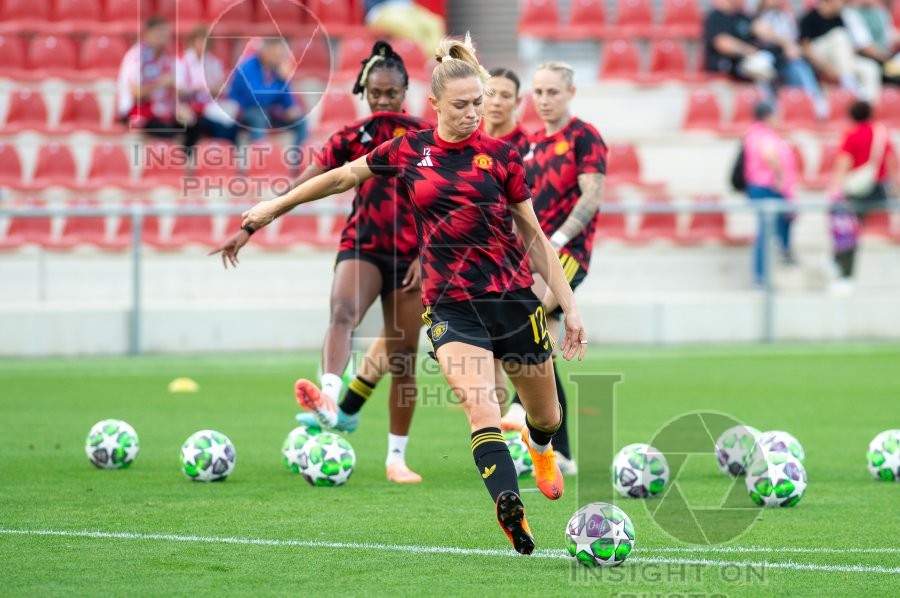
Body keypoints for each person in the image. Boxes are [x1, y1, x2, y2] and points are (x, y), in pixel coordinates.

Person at [212, 33, 588, 555]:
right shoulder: (410, 150)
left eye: (478, 103)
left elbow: (533, 236)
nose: (472, 113)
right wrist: (272, 208)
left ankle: (540, 446)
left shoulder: (501, 157)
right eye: (460, 105)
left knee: (546, 417)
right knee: (481, 409)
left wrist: (568, 305)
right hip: (450, 308)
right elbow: (342, 175)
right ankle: (510, 508)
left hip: (511, 301)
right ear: (434, 105)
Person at [221, 41, 432, 483]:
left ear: (406, 91)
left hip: (412, 256)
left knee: (403, 358)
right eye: (375, 93)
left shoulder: (424, 139)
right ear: (364, 92)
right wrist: (252, 225)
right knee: (342, 312)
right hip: (364, 245)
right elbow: (306, 185)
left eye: (391, 93)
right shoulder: (351, 138)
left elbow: (447, 202)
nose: (383, 101)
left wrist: (429, 256)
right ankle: (330, 397)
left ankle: (396, 458)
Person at [499, 62, 607, 479]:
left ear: (571, 93)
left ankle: (515, 408)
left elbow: (592, 194)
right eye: (538, 93)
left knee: (529, 316)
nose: (544, 100)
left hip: (568, 252)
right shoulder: (530, 145)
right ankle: (558, 451)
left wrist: (558, 239)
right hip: (532, 255)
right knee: (536, 342)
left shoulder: (584, 136)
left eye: (552, 93)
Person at [828, 100, 897, 292]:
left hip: (857, 192)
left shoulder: (852, 135)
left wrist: (835, 189)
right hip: (878, 191)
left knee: (847, 232)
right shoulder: (881, 134)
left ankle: (844, 274)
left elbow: (844, 163)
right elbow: (892, 163)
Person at [117, 17, 198, 146]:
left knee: (193, 124)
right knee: (166, 131)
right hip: (138, 111)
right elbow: (136, 94)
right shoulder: (136, 57)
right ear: (148, 34)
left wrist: (179, 106)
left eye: (166, 34)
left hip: (161, 110)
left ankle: (183, 163)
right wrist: (160, 83)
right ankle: (166, 162)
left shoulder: (166, 59)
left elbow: (171, 91)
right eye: (160, 33)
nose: (164, 37)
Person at [743, 101, 798, 287]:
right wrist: (781, 176)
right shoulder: (763, 135)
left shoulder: (753, 134)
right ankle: (762, 275)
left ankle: (784, 252)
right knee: (766, 232)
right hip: (768, 188)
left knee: (780, 223)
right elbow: (769, 155)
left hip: (763, 188)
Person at [751, 0, 829, 118]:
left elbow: (793, 41)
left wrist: (789, 46)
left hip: (784, 59)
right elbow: (762, 32)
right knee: (761, 65)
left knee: (798, 65)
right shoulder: (757, 16)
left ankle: (814, 100)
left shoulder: (784, 17)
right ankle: (769, 105)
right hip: (765, 57)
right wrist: (785, 43)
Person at [228, 37, 309, 149]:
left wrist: (290, 107)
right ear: (265, 52)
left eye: (281, 54)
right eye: (277, 54)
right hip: (244, 110)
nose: (280, 58)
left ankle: (297, 161)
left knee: (300, 119)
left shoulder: (275, 68)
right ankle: (258, 159)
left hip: (267, 110)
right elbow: (257, 98)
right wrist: (281, 81)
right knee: (260, 117)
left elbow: (284, 96)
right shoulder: (247, 67)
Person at [799, 0, 882, 102]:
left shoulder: (840, 18)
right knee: (839, 36)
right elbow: (806, 50)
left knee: (870, 68)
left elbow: (849, 49)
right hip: (822, 59)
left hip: (841, 62)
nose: (843, 4)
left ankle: (866, 107)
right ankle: (849, 85)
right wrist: (827, 69)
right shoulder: (810, 18)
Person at [178, 25, 238, 143]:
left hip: (210, 104)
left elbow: (221, 86)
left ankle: (228, 154)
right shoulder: (182, 62)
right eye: (200, 40)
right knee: (198, 123)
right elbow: (180, 89)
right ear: (192, 41)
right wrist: (197, 89)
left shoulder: (214, 62)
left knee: (230, 125)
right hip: (189, 105)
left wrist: (210, 89)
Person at [703, 0, 778, 85]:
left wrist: (761, 30)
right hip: (725, 67)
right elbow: (722, 43)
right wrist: (748, 51)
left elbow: (765, 33)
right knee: (760, 67)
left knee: (768, 59)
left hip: (746, 68)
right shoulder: (715, 16)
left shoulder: (743, 17)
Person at [365, 0, 446, 56]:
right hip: (382, 10)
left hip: (409, 9)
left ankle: (433, 56)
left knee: (436, 22)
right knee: (408, 28)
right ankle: (422, 58)